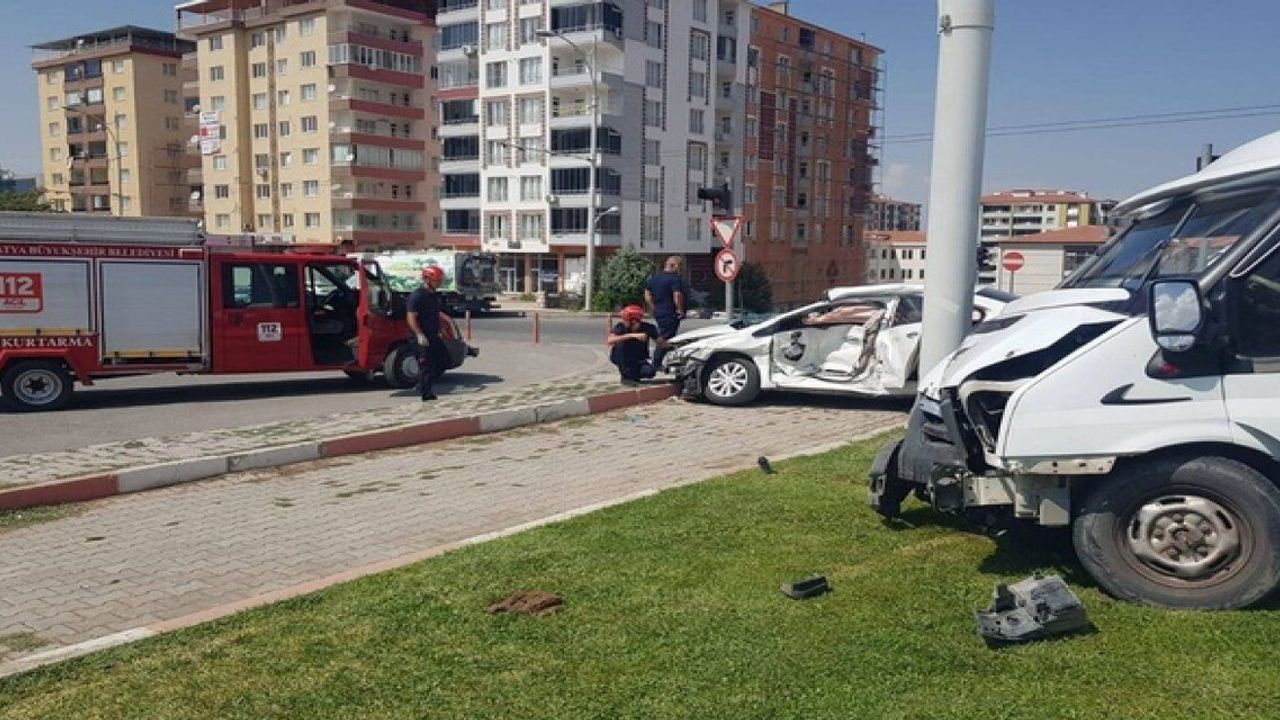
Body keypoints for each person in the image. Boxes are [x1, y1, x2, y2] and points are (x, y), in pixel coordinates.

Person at [406, 265, 450, 401]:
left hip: (433, 335)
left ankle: (423, 383)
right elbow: (411, 317)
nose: (440, 283)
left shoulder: (434, 296)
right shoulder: (418, 296)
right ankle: (426, 394)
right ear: (428, 280)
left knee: (445, 360)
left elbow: (435, 315)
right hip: (420, 337)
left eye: (440, 280)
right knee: (425, 365)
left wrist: (441, 329)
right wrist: (419, 334)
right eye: (437, 280)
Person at [644, 255, 687, 368]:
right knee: (666, 337)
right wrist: (679, 309)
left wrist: (653, 307)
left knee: (667, 336)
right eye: (680, 266)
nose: (680, 269)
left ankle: (666, 360)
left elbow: (647, 295)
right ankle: (656, 363)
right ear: (673, 265)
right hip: (670, 312)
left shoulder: (654, 278)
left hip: (659, 311)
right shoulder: (675, 279)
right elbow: (677, 295)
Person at [607, 305, 661, 385]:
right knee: (620, 348)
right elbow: (610, 340)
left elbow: (660, 342)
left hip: (639, 359)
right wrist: (632, 335)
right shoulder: (621, 327)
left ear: (634, 321)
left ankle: (633, 375)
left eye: (625, 319)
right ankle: (626, 376)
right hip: (624, 358)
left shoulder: (648, 327)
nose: (624, 321)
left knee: (650, 372)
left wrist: (672, 345)